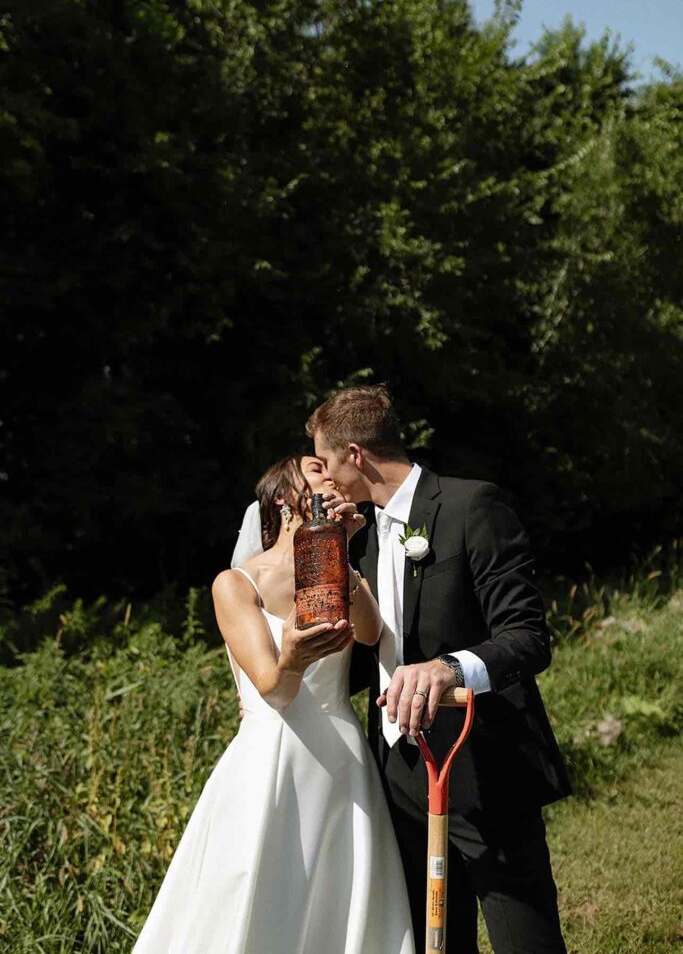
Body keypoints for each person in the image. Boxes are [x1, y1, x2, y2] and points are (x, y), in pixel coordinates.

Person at [307, 384, 572, 954]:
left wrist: (449, 669)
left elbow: (528, 638)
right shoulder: (362, 537)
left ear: (355, 455)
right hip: (399, 772)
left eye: (326, 462)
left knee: (526, 941)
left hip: (484, 765)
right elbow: (367, 654)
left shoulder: (471, 506)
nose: (324, 479)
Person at [132, 454, 415, 954]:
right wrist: (292, 659)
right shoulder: (235, 584)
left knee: (340, 900)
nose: (330, 473)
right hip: (270, 758)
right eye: (314, 468)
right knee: (256, 896)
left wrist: (340, 553)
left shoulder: (341, 571)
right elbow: (275, 690)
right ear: (283, 498)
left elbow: (371, 633)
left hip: (341, 759)